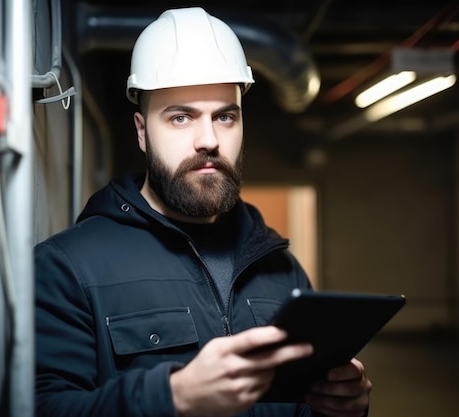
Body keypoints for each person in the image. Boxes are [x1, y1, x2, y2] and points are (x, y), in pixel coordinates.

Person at [34, 6, 372, 417]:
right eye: (181, 118)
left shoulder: (282, 269)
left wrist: (336, 408)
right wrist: (171, 397)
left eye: (225, 116)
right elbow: (42, 407)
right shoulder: (67, 268)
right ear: (142, 132)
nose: (209, 139)